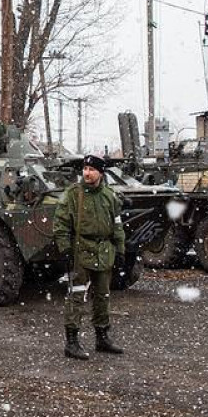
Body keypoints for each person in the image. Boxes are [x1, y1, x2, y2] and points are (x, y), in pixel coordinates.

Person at [53, 153, 126, 360]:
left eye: (91, 170)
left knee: (103, 296)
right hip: (80, 249)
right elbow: (60, 224)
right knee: (77, 295)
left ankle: (102, 337)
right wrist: (65, 249)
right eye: (85, 169)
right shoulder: (73, 194)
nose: (87, 173)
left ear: (100, 173)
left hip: (104, 250)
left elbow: (117, 225)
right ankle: (72, 342)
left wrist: (120, 250)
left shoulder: (109, 196)